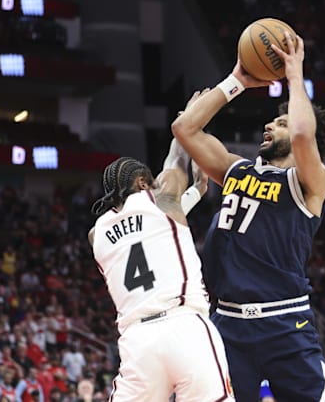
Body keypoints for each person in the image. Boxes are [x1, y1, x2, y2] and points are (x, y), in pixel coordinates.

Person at [172, 31, 325, 402]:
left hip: (285, 322)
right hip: (228, 322)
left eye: (276, 123)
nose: (269, 125)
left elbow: (300, 134)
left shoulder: (309, 183)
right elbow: (184, 128)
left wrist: (295, 76)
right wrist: (238, 81)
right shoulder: (235, 169)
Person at [89, 106, 233, 402]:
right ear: (143, 183)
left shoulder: (96, 235)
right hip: (183, 326)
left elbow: (149, 230)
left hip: (137, 343)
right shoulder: (162, 197)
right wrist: (189, 117)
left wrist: (192, 194)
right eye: (151, 181)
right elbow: (177, 157)